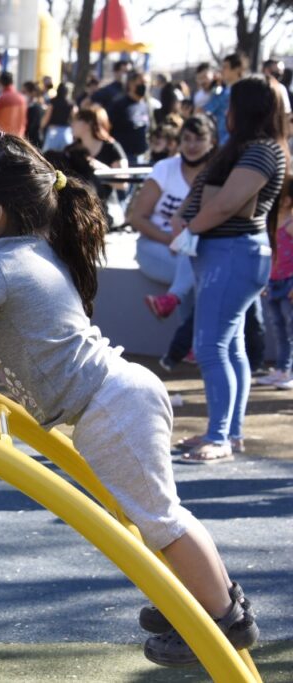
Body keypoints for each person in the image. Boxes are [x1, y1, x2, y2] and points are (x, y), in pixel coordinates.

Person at [0, 131, 258, 668]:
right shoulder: (27, 252)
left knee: (160, 520)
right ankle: (210, 600)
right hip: (117, 396)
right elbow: (16, 334)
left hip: (109, 406)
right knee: (156, 515)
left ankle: (221, 615)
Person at [171, 75, 290, 463]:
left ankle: (219, 435)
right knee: (230, 346)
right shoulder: (246, 148)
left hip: (233, 255)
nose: (225, 112)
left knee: (211, 347)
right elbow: (208, 196)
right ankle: (228, 432)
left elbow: (225, 204)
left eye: (232, 104)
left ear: (246, 108)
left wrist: (188, 228)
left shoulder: (262, 151)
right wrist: (186, 224)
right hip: (225, 255)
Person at [129, 115, 217, 370]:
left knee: (193, 264)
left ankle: (173, 307)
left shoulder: (219, 172)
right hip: (154, 247)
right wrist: (172, 239)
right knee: (193, 266)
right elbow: (137, 218)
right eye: (186, 139)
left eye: (199, 139)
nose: (192, 145)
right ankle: (193, 343)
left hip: (196, 252)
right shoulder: (165, 168)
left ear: (212, 141)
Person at [257, 181, 293, 389]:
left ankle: (289, 372)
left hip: (289, 283)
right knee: (279, 329)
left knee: (290, 328)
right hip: (273, 282)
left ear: (286, 200)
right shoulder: (272, 223)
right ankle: (282, 369)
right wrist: (264, 280)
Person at [107, 71, 150, 167]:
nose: (145, 86)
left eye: (147, 83)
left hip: (142, 156)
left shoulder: (145, 105)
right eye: (142, 82)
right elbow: (107, 128)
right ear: (131, 84)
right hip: (125, 157)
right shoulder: (119, 105)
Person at [203, 53, 246, 147]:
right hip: (221, 140)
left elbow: (205, 110)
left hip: (230, 142)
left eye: (225, 67)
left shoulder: (242, 92)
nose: (222, 70)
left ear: (237, 69)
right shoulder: (223, 90)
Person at [40, 82, 76, 153]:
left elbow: (47, 117)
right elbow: (75, 118)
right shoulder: (71, 104)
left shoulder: (53, 102)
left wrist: (41, 127)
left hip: (53, 131)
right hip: (66, 132)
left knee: (48, 155)